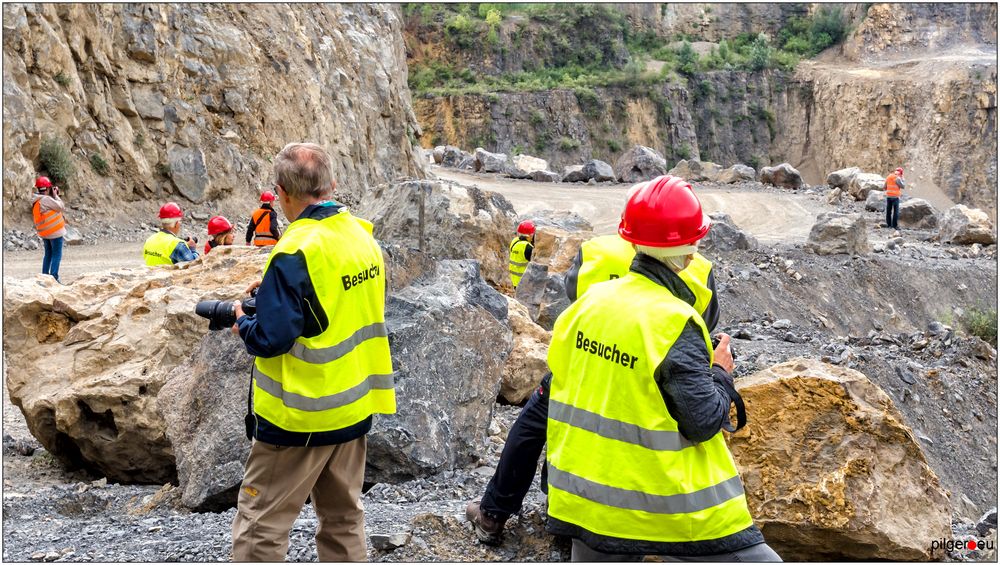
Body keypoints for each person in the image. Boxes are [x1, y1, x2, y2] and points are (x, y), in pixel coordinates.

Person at [465, 179, 720, 545]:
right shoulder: (699, 269)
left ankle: (495, 512)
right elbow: (703, 329)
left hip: (584, 361)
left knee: (534, 424)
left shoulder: (596, 251)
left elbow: (574, 298)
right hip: (651, 383)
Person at [545, 175, 779, 562]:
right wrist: (721, 373)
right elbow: (703, 420)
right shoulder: (672, 320)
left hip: (584, 503)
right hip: (663, 506)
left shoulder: (587, 304)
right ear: (690, 251)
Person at [229, 142, 396, 562]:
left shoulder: (294, 252)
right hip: (354, 408)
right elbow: (338, 307)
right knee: (343, 520)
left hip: (299, 416)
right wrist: (278, 296)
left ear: (282, 192)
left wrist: (242, 320)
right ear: (332, 185)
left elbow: (271, 339)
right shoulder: (362, 237)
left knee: (261, 526)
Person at [32, 176, 67, 282]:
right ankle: (54, 278)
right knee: (56, 254)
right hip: (55, 233)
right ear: (47, 188)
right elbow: (61, 207)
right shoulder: (46, 199)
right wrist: (56, 196)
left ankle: (44, 277)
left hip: (45, 233)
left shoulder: (36, 200)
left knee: (48, 254)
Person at [509, 220, 535, 290]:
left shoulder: (514, 241)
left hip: (514, 280)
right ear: (530, 234)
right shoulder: (528, 247)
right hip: (524, 282)